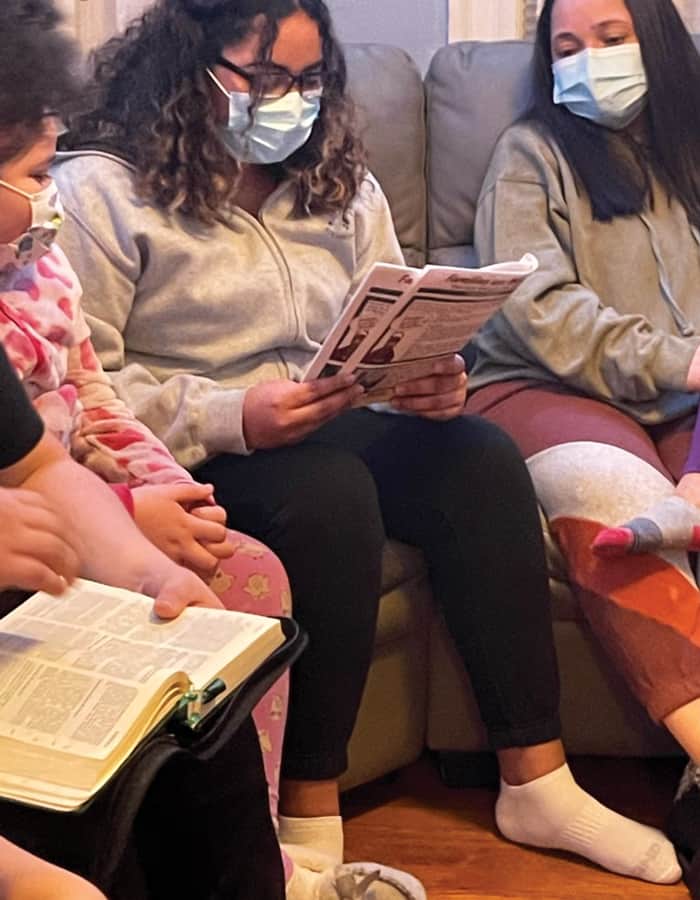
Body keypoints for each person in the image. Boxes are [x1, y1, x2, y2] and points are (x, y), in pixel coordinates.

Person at [54, 0, 681, 891]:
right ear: (189, 69)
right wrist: (239, 414)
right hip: (202, 440)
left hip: (334, 416)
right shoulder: (103, 192)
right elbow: (89, 390)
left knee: (479, 458)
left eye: (309, 82)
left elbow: (397, 317)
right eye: (264, 79)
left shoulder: (340, 181)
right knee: (331, 493)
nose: (290, 103)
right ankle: (310, 809)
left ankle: (537, 782)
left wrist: (434, 381)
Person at [464, 0, 700, 887]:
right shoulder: (531, 153)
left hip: (687, 394)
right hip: (546, 386)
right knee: (614, 496)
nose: (588, 61)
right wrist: (677, 362)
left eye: (610, 40)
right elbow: (537, 312)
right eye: (566, 47)